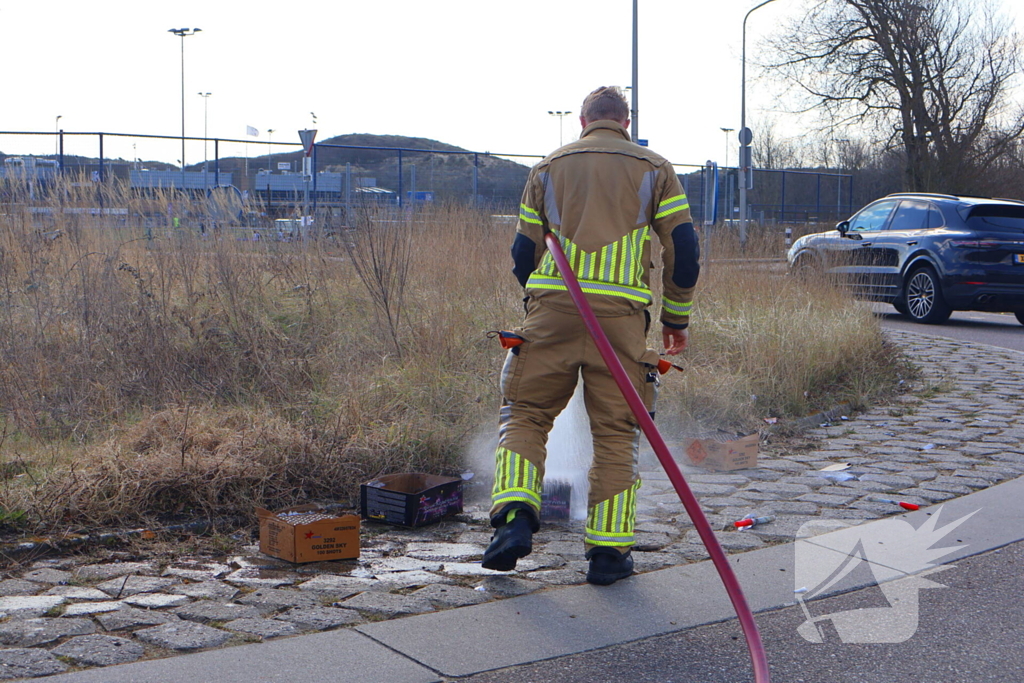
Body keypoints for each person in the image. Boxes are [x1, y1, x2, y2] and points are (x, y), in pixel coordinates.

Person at [483, 86, 700, 585]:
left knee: (526, 414)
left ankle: (514, 518)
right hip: (621, 323)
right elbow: (683, 249)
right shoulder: (656, 168)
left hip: (552, 312)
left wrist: (540, 303)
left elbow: (523, 253)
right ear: (626, 122)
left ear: (583, 121)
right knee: (616, 434)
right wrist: (676, 319)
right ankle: (608, 554)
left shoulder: (547, 168)